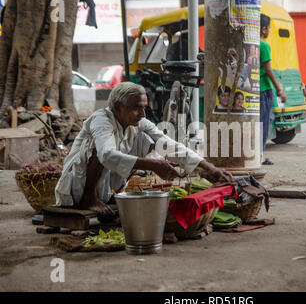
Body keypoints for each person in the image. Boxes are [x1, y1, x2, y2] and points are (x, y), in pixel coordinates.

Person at [55, 82, 233, 221]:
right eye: (136, 108)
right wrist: (152, 164)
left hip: (107, 188)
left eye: (143, 107)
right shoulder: (101, 120)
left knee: (147, 139)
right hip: (77, 189)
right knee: (100, 147)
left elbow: (168, 144)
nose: (143, 113)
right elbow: (106, 156)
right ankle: (89, 198)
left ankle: (112, 194)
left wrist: (209, 168)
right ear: (118, 107)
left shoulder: (138, 123)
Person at [260, 14, 286, 165]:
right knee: (264, 123)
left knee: (258, 123)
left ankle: (256, 154)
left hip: (253, 89)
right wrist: (279, 89)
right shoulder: (263, 46)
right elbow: (268, 70)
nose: (269, 31)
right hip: (264, 89)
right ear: (264, 30)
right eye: (269, 28)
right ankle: (260, 156)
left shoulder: (249, 44)